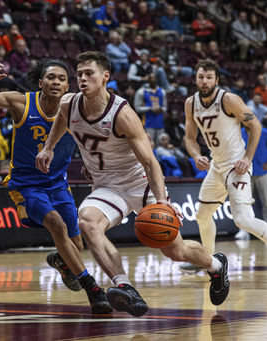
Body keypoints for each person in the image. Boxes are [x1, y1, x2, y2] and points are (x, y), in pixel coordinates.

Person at [36, 51, 230, 317]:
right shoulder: (69, 103)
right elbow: (61, 119)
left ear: (105, 77)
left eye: (89, 73)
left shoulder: (122, 113)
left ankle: (216, 266)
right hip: (106, 187)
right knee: (88, 222)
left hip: (141, 184)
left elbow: (151, 162)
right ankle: (124, 286)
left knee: (176, 251)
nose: (82, 78)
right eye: (79, 73)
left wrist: (162, 201)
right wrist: (49, 148)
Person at [0, 59, 112, 315]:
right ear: (41, 83)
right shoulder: (20, 101)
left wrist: (88, 161)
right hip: (26, 184)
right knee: (57, 224)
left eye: (62, 78)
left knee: (76, 246)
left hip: (58, 184)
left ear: (68, 85)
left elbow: (90, 138)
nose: (56, 82)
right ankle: (93, 290)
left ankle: (60, 261)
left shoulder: (77, 106)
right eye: (51, 77)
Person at [179, 59, 267, 278]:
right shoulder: (190, 103)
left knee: (242, 219)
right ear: (195, 79)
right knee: (202, 215)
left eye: (209, 77)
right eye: (201, 76)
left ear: (216, 80)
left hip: (237, 166)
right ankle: (207, 260)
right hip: (217, 166)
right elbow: (190, 138)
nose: (204, 81)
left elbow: (255, 125)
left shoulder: (228, 99)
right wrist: (196, 155)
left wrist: (248, 158)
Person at [236, 126, 267, 239]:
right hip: (245, 173)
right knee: (244, 202)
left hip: (262, 172)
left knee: (266, 201)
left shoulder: (263, 132)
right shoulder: (238, 133)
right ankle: (244, 230)